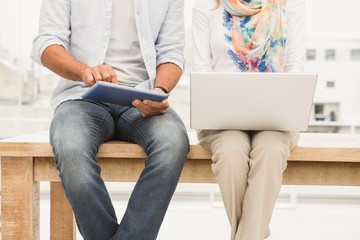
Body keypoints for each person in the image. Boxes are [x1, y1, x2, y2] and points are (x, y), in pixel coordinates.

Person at [31, 0, 189, 239]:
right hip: (80, 95)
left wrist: (159, 90)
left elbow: (171, 52)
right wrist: (83, 70)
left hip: (141, 97)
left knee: (173, 142)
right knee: (71, 147)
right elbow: (46, 44)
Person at [192, 0, 305, 239]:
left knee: (271, 150)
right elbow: (202, 69)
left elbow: (295, 67)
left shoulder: (290, 6)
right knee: (231, 151)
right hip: (220, 120)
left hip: (276, 119)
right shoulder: (206, 7)